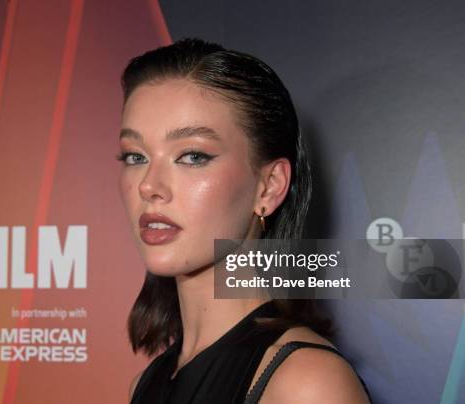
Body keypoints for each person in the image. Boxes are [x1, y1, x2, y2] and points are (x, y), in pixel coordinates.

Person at [116, 38, 372, 403]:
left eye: (191, 156)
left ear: (269, 187)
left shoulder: (306, 384)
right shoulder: (144, 385)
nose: (149, 186)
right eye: (135, 156)